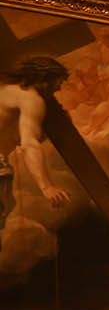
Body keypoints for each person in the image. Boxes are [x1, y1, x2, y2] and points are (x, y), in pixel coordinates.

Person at [0, 57, 72, 237]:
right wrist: (46, 187)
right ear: (45, 79)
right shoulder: (31, 98)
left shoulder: (5, 90)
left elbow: (14, 137)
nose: (57, 90)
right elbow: (29, 144)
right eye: (57, 84)